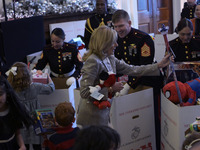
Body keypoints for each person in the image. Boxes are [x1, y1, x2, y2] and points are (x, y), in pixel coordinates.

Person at [76, 25, 170, 127]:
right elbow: (85, 92)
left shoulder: (110, 58)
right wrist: (110, 90)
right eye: (113, 42)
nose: (116, 45)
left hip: (103, 115)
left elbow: (132, 69)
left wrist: (158, 65)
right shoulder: (93, 61)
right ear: (104, 44)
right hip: (90, 119)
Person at [7, 62, 55, 150]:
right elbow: (51, 88)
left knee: (22, 142)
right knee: (37, 144)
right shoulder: (35, 87)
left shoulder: (10, 91)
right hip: (36, 120)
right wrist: (48, 77)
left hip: (21, 121)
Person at [0, 75, 33, 150]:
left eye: (0, 94)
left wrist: (22, 145)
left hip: (12, 145)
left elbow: (17, 132)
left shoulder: (12, 110)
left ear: (7, 93)